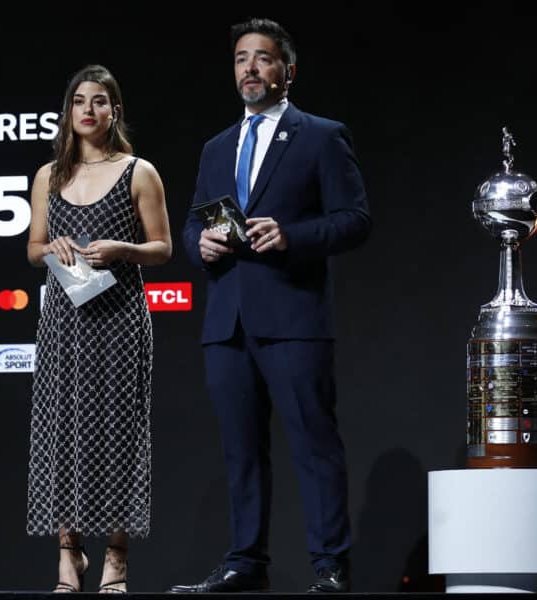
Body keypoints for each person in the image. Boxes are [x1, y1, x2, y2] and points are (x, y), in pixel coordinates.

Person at [167, 18, 371, 594]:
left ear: (288, 70)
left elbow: (356, 220)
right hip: (226, 321)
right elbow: (192, 221)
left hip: (294, 316)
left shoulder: (321, 135)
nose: (249, 68)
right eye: (239, 59)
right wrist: (197, 245)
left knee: (313, 443)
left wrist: (291, 236)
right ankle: (245, 563)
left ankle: (330, 566)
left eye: (262, 58)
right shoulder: (216, 147)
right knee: (241, 450)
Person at [26, 64, 172, 594]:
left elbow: (163, 248)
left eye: (100, 101)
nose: (89, 110)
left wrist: (122, 250)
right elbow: (33, 248)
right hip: (65, 322)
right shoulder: (50, 175)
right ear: (69, 112)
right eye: (79, 101)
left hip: (120, 320)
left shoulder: (139, 171)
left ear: (115, 112)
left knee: (118, 435)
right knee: (61, 434)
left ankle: (116, 557)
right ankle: (69, 557)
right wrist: (52, 249)